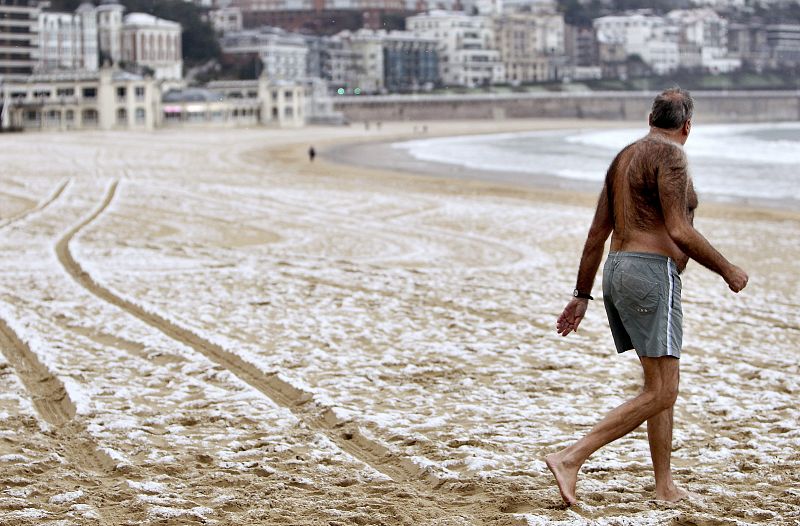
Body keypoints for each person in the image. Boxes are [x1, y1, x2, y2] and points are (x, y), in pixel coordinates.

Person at [546, 88, 749, 506]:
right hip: (650, 275)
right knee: (664, 391)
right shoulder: (671, 157)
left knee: (658, 384)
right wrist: (728, 269)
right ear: (687, 126)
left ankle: (664, 485)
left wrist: (582, 293)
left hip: (618, 270)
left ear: (650, 117)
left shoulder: (624, 157)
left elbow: (595, 234)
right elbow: (679, 229)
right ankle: (570, 458)